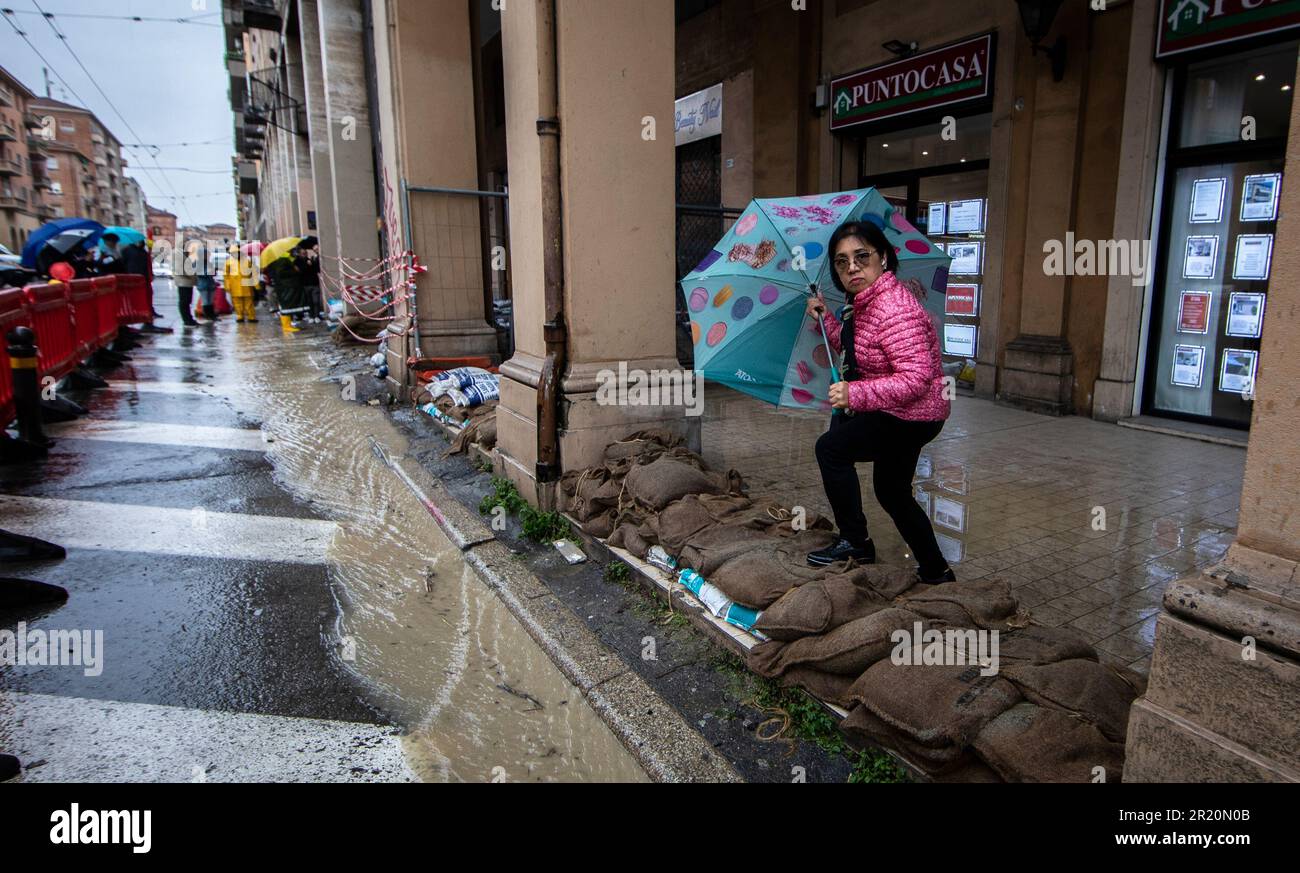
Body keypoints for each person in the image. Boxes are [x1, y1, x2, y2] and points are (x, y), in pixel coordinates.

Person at [804, 220, 955, 584]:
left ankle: (855, 542)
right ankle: (936, 570)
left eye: (861, 257)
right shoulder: (864, 303)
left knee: (831, 449)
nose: (851, 267)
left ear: (883, 258)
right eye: (841, 262)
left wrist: (855, 393)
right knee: (892, 491)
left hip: (911, 414)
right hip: (902, 410)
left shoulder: (894, 308)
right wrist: (825, 319)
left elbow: (916, 379)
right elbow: (857, 350)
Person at [223, 245, 258, 323]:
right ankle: (240, 316)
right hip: (235, 286)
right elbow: (226, 276)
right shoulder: (228, 262)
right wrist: (227, 285)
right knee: (237, 302)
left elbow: (253, 273)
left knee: (249, 302)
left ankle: (251, 316)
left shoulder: (247, 261)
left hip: (246, 285)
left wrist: (256, 284)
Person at [173, 241, 200, 327]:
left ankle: (189, 319)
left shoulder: (186, 255)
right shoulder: (179, 256)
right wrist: (192, 274)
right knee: (184, 302)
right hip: (183, 282)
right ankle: (187, 321)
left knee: (188, 301)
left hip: (188, 282)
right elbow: (181, 270)